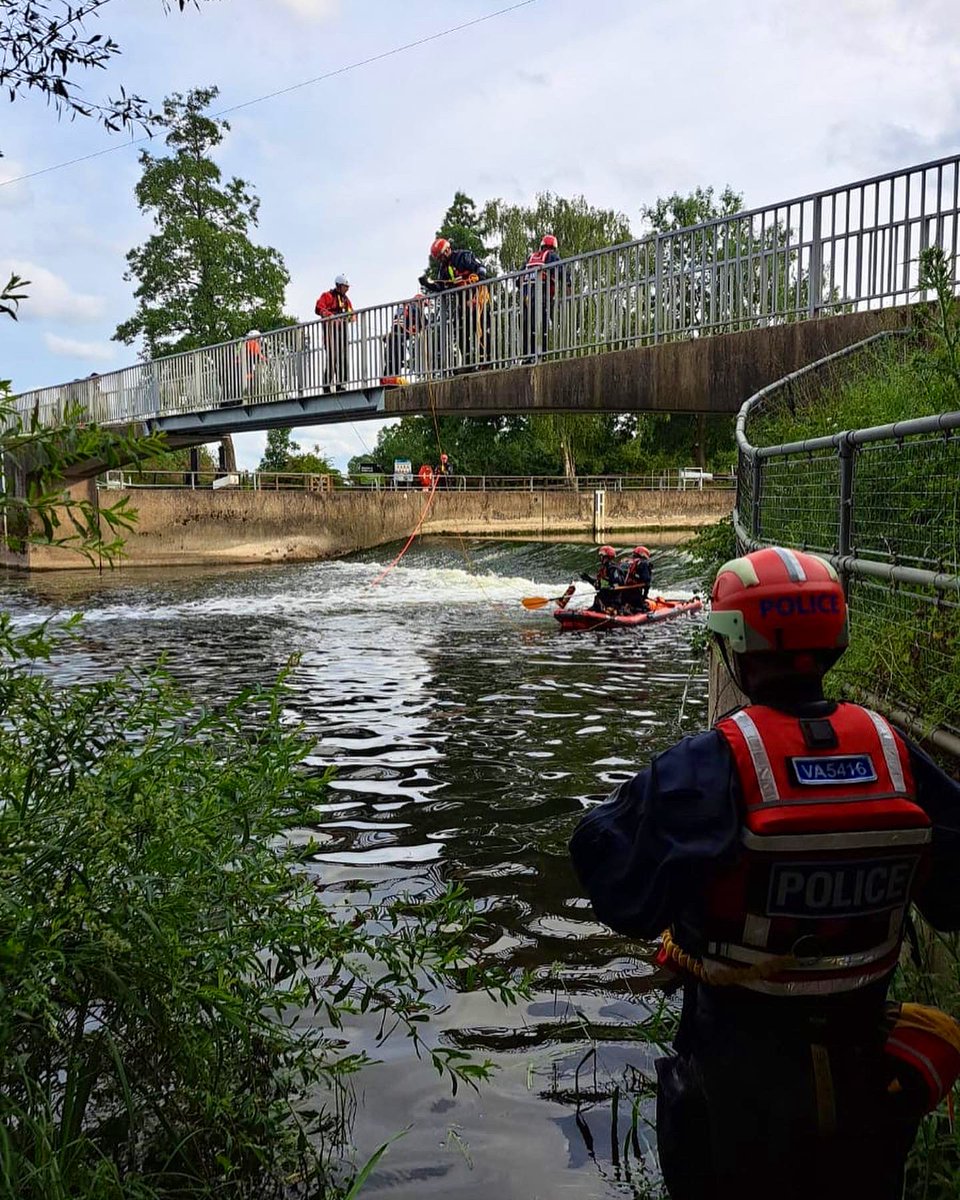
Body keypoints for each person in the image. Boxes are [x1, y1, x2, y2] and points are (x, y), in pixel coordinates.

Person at [570, 546, 960, 1200]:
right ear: (835, 641)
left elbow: (616, 883)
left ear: (737, 653)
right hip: (867, 1068)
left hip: (737, 1076)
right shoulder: (897, 755)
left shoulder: (711, 765)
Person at [419, 238, 490, 371]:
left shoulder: (464, 257)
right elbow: (441, 286)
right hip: (463, 302)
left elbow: (481, 269)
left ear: (447, 250)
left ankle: (486, 360)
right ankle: (468, 363)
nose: (440, 260)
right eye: (438, 258)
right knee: (460, 329)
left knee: (480, 328)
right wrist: (427, 284)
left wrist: (478, 279)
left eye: (441, 256)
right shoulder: (444, 269)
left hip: (478, 297)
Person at [521, 233, 562, 361]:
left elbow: (519, 279)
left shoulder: (530, 258)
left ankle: (528, 356)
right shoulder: (552, 256)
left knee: (527, 326)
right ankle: (541, 354)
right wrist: (568, 284)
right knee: (541, 326)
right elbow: (562, 271)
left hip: (526, 298)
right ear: (554, 247)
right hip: (542, 297)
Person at [315, 274, 354, 392]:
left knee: (344, 356)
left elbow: (352, 313)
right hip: (330, 331)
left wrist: (350, 318)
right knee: (332, 357)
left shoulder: (346, 300)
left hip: (342, 330)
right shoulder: (327, 296)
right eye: (345, 287)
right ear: (339, 286)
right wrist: (330, 316)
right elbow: (319, 308)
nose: (347, 289)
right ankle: (327, 384)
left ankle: (341, 384)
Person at [381, 293, 425, 383]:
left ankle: (386, 380)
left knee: (391, 361)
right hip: (399, 337)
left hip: (394, 336)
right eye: (423, 304)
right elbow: (423, 323)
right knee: (396, 360)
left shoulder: (404, 306)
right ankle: (391, 381)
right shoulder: (414, 307)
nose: (423, 307)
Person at [580, 545, 624, 612]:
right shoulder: (603, 569)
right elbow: (598, 584)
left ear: (608, 558)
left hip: (612, 601)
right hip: (602, 599)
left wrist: (611, 587)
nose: (601, 558)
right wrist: (588, 579)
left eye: (603, 557)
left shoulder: (613, 569)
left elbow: (617, 584)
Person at [620, 545, 652, 612]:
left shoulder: (625, 562)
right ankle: (632, 609)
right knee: (646, 609)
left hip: (622, 593)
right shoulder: (643, 564)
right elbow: (647, 582)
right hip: (635, 594)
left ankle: (625, 607)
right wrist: (645, 596)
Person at [243, 330, 265, 395]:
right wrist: (264, 359)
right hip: (246, 367)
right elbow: (256, 354)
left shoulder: (244, 343)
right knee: (249, 383)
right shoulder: (252, 343)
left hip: (240, 366)